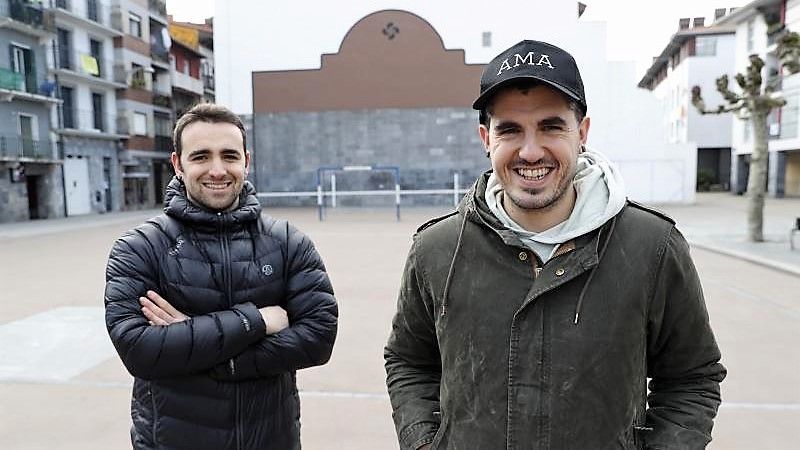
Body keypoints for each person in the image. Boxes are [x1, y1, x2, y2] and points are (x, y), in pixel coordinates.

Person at [384, 40, 726, 449]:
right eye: (510, 129)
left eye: (551, 126)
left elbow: (692, 378)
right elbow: (409, 361)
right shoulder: (436, 249)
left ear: (582, 132)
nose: (531, 152)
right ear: (486, 138)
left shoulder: (652, 246)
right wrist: (423, 442)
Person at [104, 103, 338, 450]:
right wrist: (255, 321)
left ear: (246, 161)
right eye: (201, 157)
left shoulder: (288, 242)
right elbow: (139, 350)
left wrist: (205, 349)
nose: (217, 170)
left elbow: (318, 338)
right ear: (178, 164)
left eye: (229, 156)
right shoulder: (139, 248)